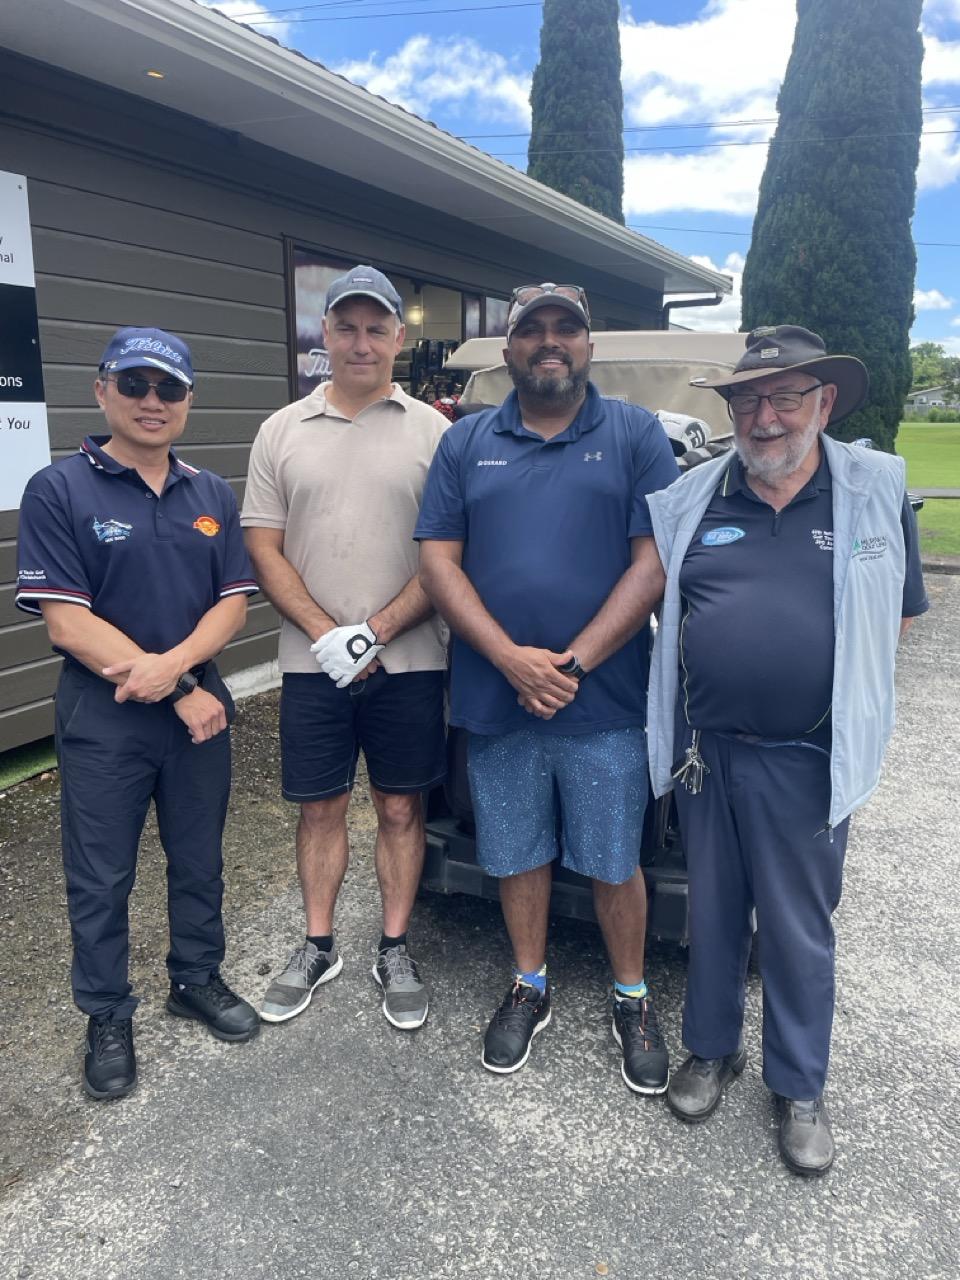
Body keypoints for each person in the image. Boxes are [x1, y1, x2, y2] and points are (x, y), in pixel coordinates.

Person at [646, 325, 928, 1174]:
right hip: (707, 755)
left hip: (808, 759)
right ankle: (711, 1050)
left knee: (799, 929)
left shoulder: (872, 494)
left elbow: (899, 616)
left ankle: (799, 1086)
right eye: (746, 400)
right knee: (713, 915)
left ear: (824, 403)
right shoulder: (695, 498)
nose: (764, 417)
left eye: (784, 398)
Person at [416, 283, 679, 1087]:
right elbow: (438, 561)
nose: (550, 341)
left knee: (613, 858)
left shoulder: (635, 434)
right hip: (498, 698)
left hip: (602, 701)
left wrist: (572, 664)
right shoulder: (465, 442)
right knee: (516, 851)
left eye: (567, 328)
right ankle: (529, 983)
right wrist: (509, 659)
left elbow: (654, 563)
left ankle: (631, 995)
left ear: (589, 345)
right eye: (533, 330)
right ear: (510, 350)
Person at [15, 327, 261, 1102]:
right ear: (102, 391)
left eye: (169, 388)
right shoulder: (58, 489)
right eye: (135, 384)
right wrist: (179, 686)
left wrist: (181, 674)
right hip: (107, 713)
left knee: (199, 859)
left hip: (198, 716)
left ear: (187, 400)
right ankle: (106, 1014)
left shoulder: (210, 493)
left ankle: (196, 979)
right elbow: (66, 623)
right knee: (101, 876)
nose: (153, 401)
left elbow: (232, 605)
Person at [242, 265, 448, 1031]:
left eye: (377, 328)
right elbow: (263, 548)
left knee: (400, 807)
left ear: (398, 338)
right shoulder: (281, 431)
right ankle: (319, 944)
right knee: (321, 806)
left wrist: (377, 630)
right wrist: (329, 635)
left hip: (412, 659)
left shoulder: (436, 433)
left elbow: (449, 553)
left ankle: (394, 946)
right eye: (347, 328)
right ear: (325, 335)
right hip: (311, 663)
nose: (362, 343)